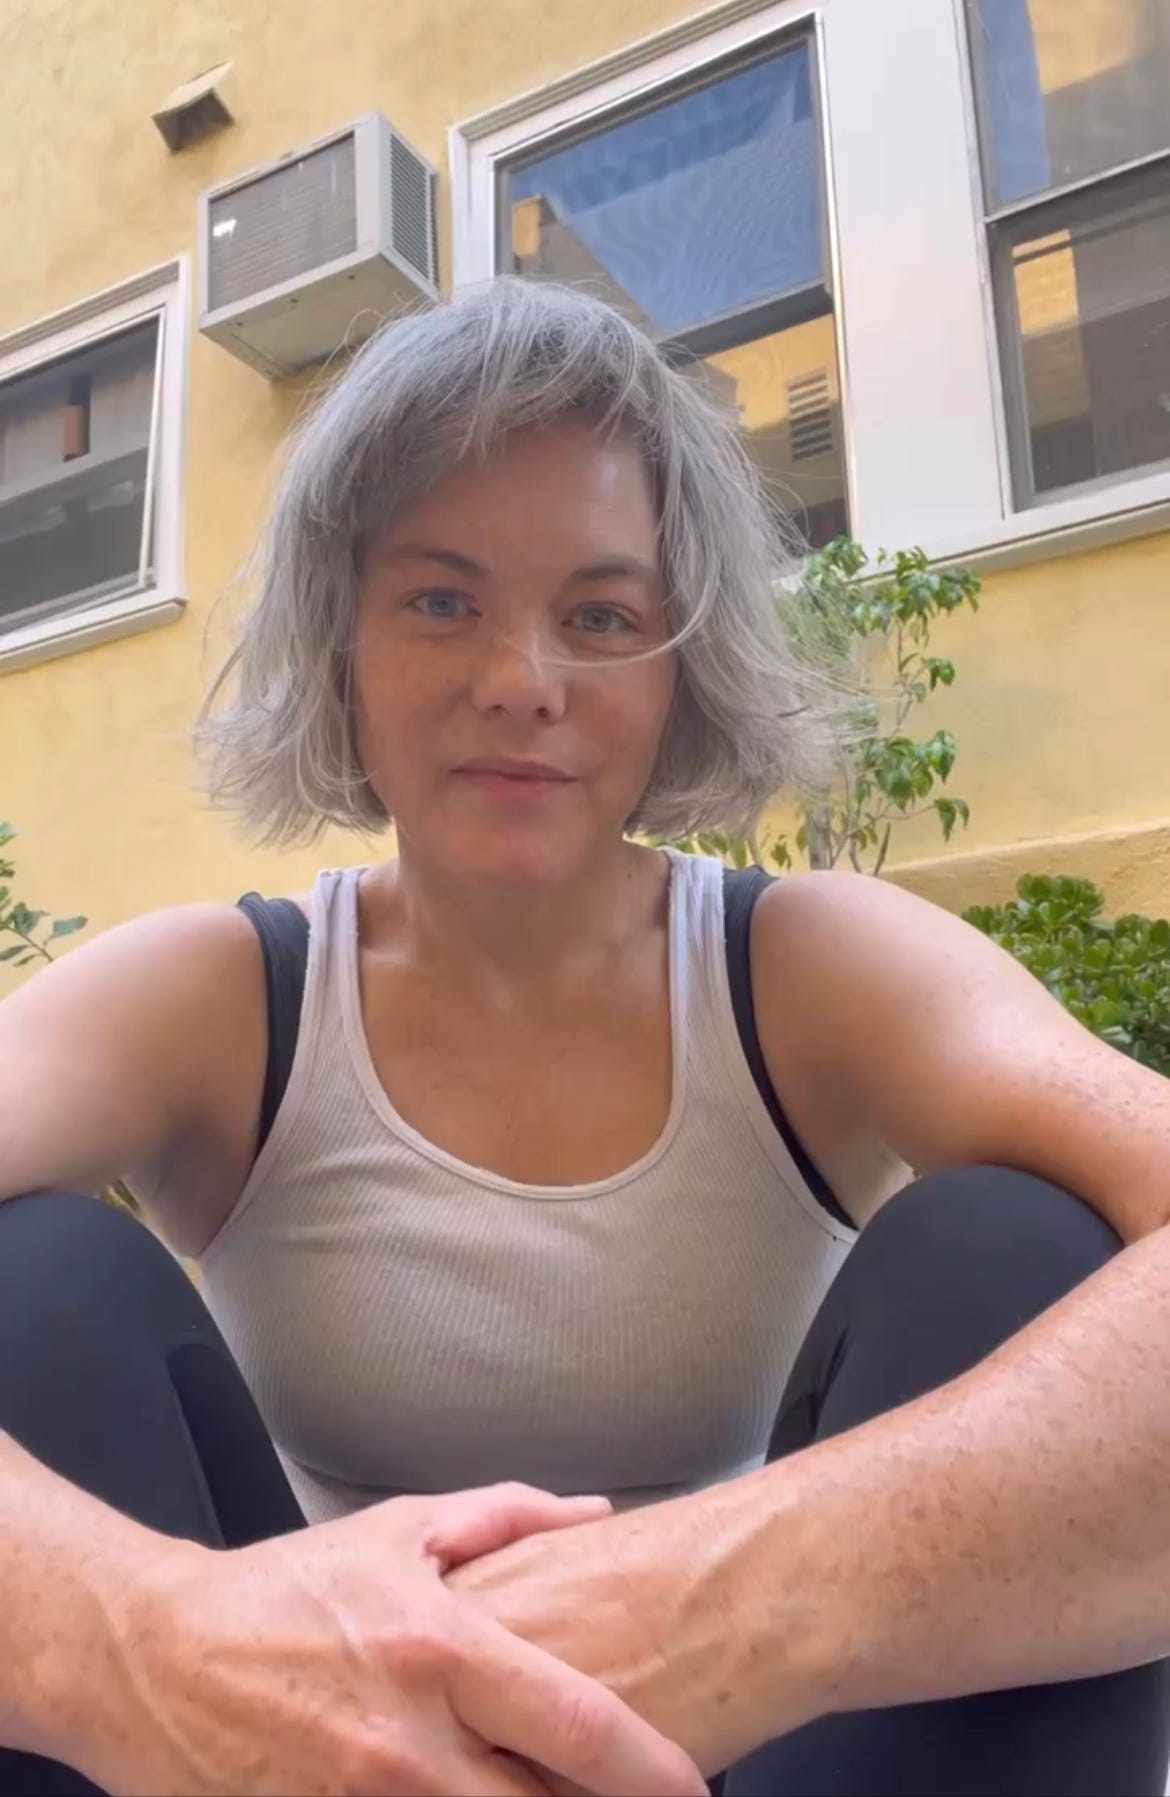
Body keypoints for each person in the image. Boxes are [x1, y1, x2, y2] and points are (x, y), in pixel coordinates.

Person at [1, 279, 1168, 1797]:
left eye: (601, 615)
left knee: (1014, 1247)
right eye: (439, 599)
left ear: (680, 669)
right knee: (32, 1281)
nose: (520, 681)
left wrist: (690, 1608)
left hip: (756, 1744)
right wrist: (144, 1640)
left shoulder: (811, 965)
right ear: (339, 650)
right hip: (269, 1758)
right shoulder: (211, 997)